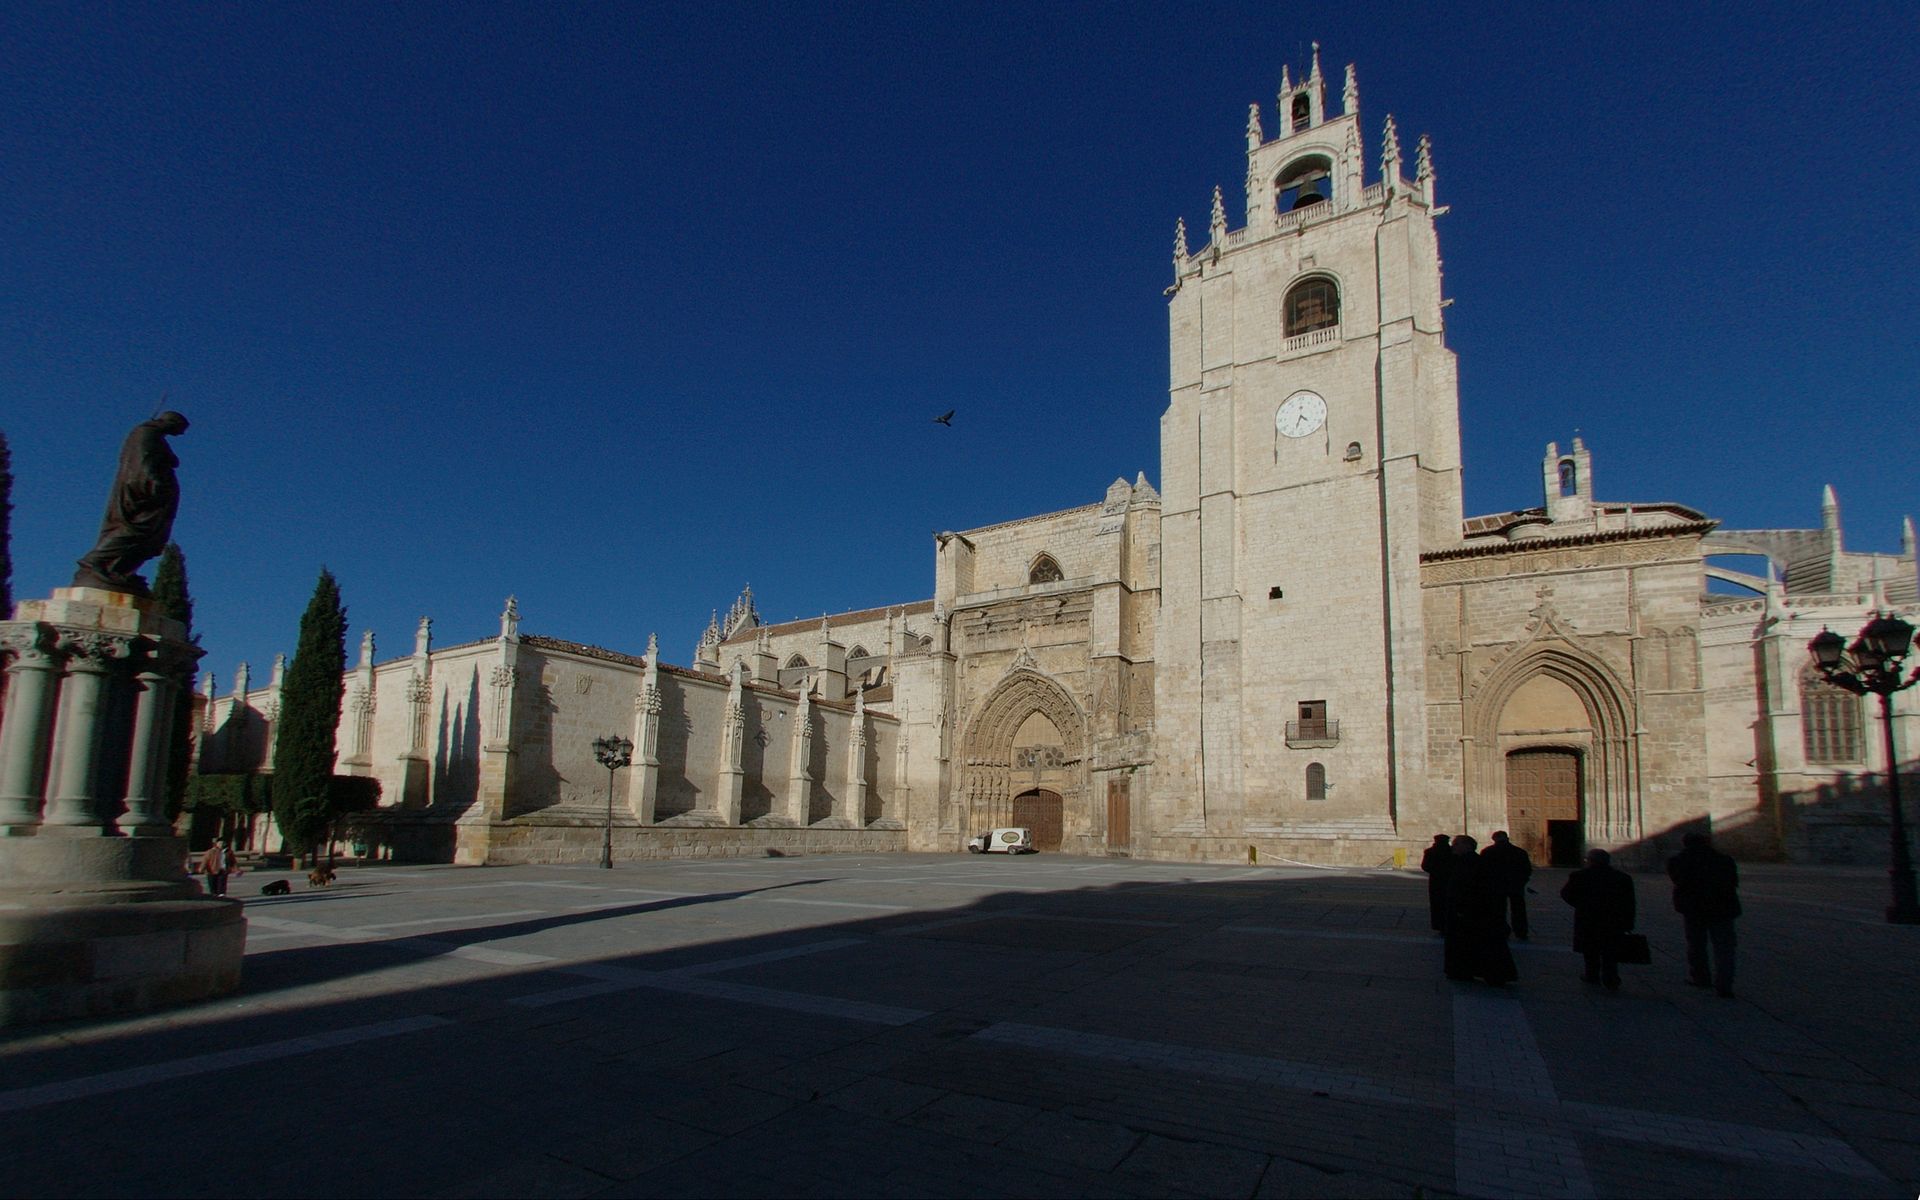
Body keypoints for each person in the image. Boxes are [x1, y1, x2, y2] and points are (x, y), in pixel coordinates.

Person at [1667, 831, 1740, 998]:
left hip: (1694, 909)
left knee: (1696, 945)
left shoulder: (1678, 861)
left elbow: (1677, 881)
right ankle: (1725, 984)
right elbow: (1733, 882)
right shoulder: (1724, 860)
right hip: (1722, 909)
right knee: (1725, 948)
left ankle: (1700, 977)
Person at [1443, 835, 1518, 985]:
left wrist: (1462, 907)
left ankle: (1474, 972)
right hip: (1473, 911)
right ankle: (1474, 971)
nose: (1453, 847)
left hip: (1471, 912)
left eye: (1456, 844)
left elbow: (1470, 888)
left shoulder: (1471, 863)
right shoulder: (1469, 862)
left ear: (1467, 846)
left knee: (1476, 944)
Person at [1560, 848, 1636, 990]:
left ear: (1590, 861)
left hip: (1588, 918)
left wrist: (1581, 905)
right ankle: (1611, 978)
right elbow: (1629, 902)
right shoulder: (1622, 878)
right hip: (1613, 920)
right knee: (1610, 949)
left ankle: (1591, 974)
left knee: (1590, 948)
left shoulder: (1579, 876)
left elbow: (1566, 894)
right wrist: (1629, 922)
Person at [1480, 830, 1533, 940]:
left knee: (1498, 909)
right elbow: (1527, 869)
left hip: (1496, 885)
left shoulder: (1488, 852)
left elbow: (1483, 870)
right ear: (1507, 838)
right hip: (1515, 885)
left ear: (1494, 839)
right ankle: (1521, 931)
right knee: (1519, 909)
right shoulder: (1520, 852)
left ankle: (1500, 930)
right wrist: (1522, 881)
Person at [1419, 833, 1455, 934]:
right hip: (1450, 880)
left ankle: (1439, 925)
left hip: (1436, 880)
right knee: (1450, 903)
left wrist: (1435, 871)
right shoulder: (1452, 852)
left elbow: (1425, 866)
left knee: (1436, 903)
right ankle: (1450, 924)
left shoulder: (1430, 851)